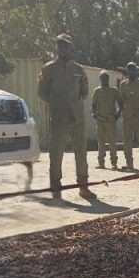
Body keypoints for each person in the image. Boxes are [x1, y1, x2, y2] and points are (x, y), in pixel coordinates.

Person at [36, 33, 90, 197]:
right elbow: (41, 92)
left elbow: (84, 91)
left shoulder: (78, 70)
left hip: (77, 118)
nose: (63, 48)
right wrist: (55, 104)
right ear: (57, 48)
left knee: (81, 153)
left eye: (66, 45)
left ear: (71, 49)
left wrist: (75, 104)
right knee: (56, 153)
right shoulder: (49, 69)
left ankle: (83, 187)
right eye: (60, 45)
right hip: (59, 118)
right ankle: (55, 186)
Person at [119, 62, 139, 171]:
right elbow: (121, 99)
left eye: (133, 70)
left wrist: (138, 106)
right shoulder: (123, 84)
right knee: (127, 140)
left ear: (136, 71)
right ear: (127, 71)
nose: (131, 72)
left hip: (138, 116)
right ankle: (129, 163)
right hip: (127, 116)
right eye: (129, 70)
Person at [90, 70, 122, 170]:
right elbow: (93, 104)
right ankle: (101, 163)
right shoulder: (97, 91)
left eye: (106, 78)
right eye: (103, 78)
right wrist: (93, 113)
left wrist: (117, 115)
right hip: (100, 119)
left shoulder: (114, 91)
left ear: (108, 79)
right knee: (101, 142)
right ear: (100, 79)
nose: (104, 80)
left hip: (110, 119)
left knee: (112, 142)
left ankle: (114, 163)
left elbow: (120, 103)